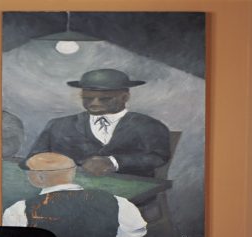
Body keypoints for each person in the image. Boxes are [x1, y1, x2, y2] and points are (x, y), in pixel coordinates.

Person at [26, 68, 171, 178]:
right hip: (69, 191)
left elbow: (159, 157)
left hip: (127, 197)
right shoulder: (58, 125)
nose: (94, 104)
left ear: (125, 97)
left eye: (105, 99)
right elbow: (33, 159)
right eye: (88, 98)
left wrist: (113, 162)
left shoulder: (148, 125)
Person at [2, 152, 146, 237]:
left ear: (38, 177)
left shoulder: (19, 210)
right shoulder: (118, 201)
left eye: (29, 173)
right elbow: (135, 232)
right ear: (74, 173)